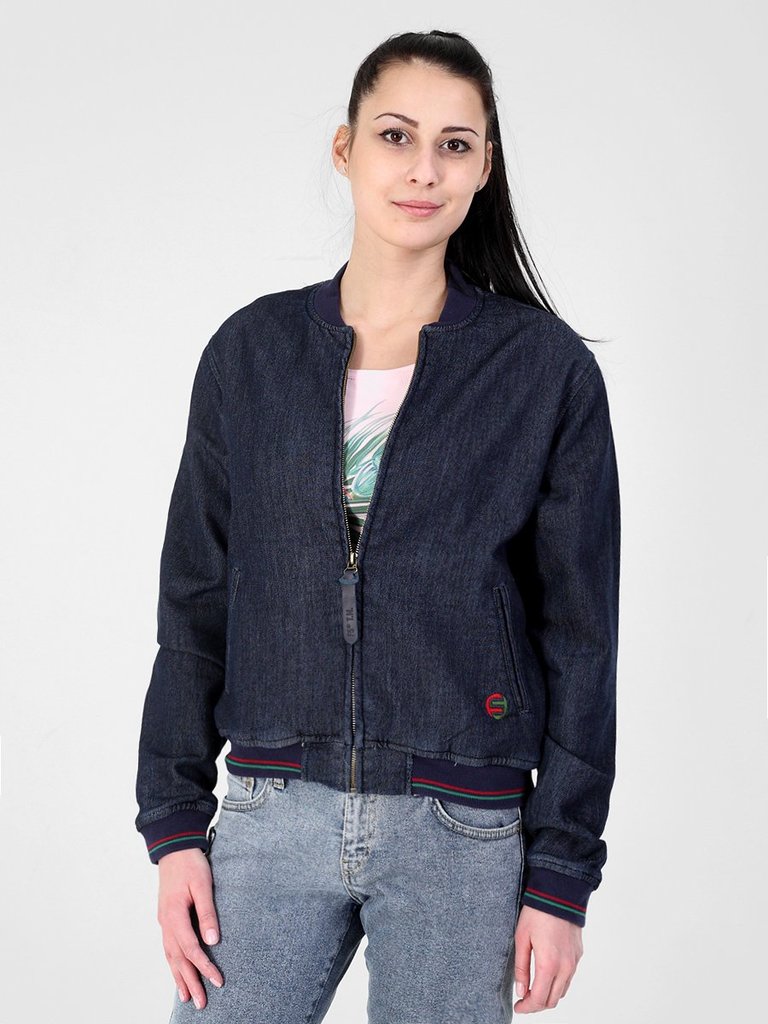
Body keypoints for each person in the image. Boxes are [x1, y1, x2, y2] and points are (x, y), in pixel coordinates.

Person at [135, 29, 621, 1023]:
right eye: (397, 135)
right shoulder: (252, 354)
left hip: (463, 824)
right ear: (346, 147)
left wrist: (562, 874)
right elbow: (195, 599)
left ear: (484, 168)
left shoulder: (543, 371)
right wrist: (175, 823)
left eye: (455, 144)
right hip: (269, 813)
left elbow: (581, 636)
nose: (424, 168)